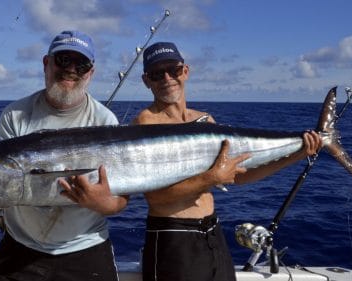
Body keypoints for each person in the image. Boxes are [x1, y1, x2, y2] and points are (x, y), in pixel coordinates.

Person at [132, 42, 322, 281]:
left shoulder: (204, 120)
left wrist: (297, 154)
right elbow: (156, 197)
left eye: (173, 69)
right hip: (173, 238)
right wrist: (211, 178)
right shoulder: (145, 124)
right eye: (157, 74)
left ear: (186, 71)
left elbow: (239, 174)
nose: (167, 78)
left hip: (213, 233)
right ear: (146, 81)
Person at [0, 30, 129, 281]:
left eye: (80, 64)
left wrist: (103, 204)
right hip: (20, 246)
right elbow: (0, 183)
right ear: (46, 63)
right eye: (63, 60)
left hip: (85, 246)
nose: (71, 69)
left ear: (90, 73)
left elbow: (121, 199)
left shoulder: (104, 120)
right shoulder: (14, 115)